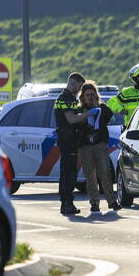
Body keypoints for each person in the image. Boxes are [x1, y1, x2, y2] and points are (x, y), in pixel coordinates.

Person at [76, 82, 121, 213]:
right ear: (82, 97)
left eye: (93, 94)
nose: (90, 97)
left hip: (100, 144)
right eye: (87, 95)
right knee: (90, 175)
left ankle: (112, 201)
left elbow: (109, 115)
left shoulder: (102, 108)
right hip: (85, 146)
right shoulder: (79, 110)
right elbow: (76, 124)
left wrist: (97, 106)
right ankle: (94, 202)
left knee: (105, 173)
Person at [53, 72, 85, 215]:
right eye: (78, 87)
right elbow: (71, 119)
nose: (79, 90)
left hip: (68, 139)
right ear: (72, 83)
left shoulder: (69, 98)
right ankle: (67, 202)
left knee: (68, 171)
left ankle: (66, 203)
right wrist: (88, 115)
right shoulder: (65, 98)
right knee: (69, 172)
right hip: (67, 139)